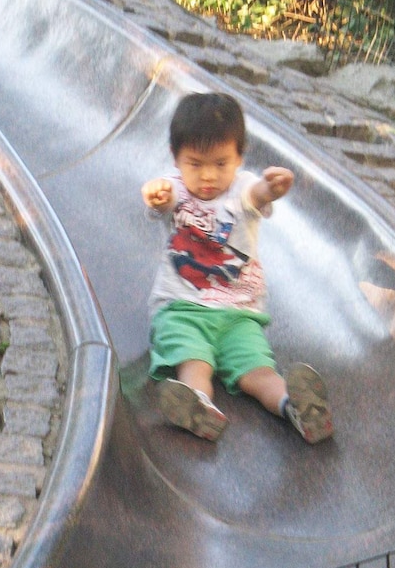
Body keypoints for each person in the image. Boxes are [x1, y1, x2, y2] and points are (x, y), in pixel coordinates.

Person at [141, 92, 333, 443]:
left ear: (240, 157)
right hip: (183, 308)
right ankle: (199, 406)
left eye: (221, 163)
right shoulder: (176, 189)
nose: (208, 176)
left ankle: (297, 408)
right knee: (194, 361)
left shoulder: (243, 189)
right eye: (195, 164)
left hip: (238, 315)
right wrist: (157, 195)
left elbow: (257, 194)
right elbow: (164, 200)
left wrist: (272, 188)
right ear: (176, 158)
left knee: (259, 372)